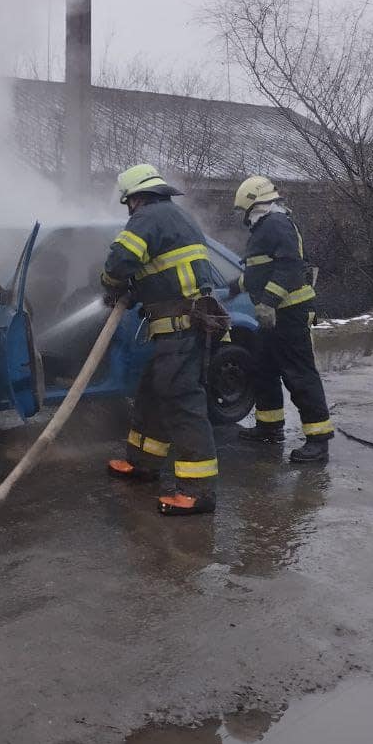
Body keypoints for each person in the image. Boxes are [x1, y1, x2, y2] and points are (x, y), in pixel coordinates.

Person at [101, 164, 219, 516]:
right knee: (152, 392)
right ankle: (143, 464)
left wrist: (111, 285)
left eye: (127, 202)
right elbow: (165, 271)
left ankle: (198, 491)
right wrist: (139, 288)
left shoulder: (147, 217)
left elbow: (119, 261)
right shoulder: (175, 216)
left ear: (134, 197)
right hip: (181, 327)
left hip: (180, 327)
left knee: (183, 403)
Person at [228, 176, 334, 462]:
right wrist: (234, 287)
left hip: (290, 313)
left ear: (252, 203)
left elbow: (289, 267)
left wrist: (268, 302)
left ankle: (318, 440)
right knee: (265, 369)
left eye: (242, 210)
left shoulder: (276, 223)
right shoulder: (264, 227)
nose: (241, 216)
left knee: (299, 374)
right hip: (273, 317)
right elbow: (260, 271)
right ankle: (270, 427)